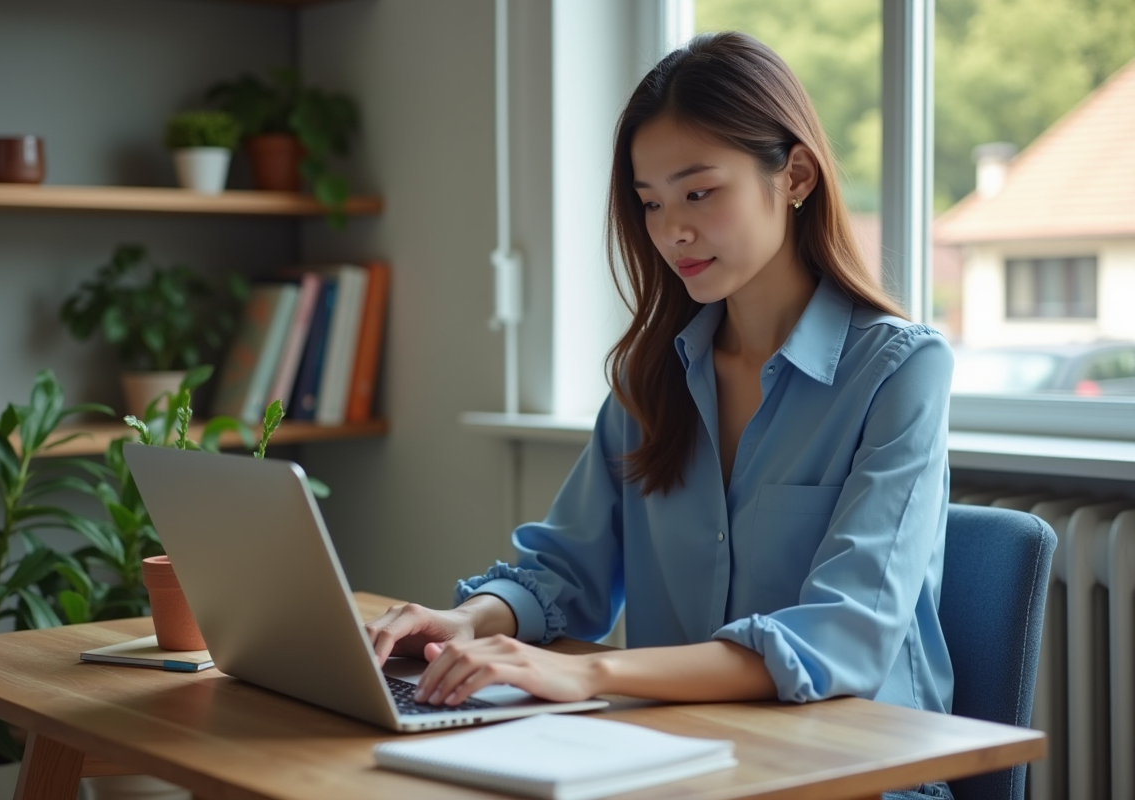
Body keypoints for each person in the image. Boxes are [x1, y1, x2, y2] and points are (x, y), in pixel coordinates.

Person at [367, 31, 954, 800]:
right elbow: (563, 573)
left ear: (796, 175)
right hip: (676, 762)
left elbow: (845, 636)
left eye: (699, 192)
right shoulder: (654, 375)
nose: (672, 230)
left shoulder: (901, 371)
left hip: (853, 773)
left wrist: (585, 672)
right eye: (650, 203)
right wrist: (472, 620)